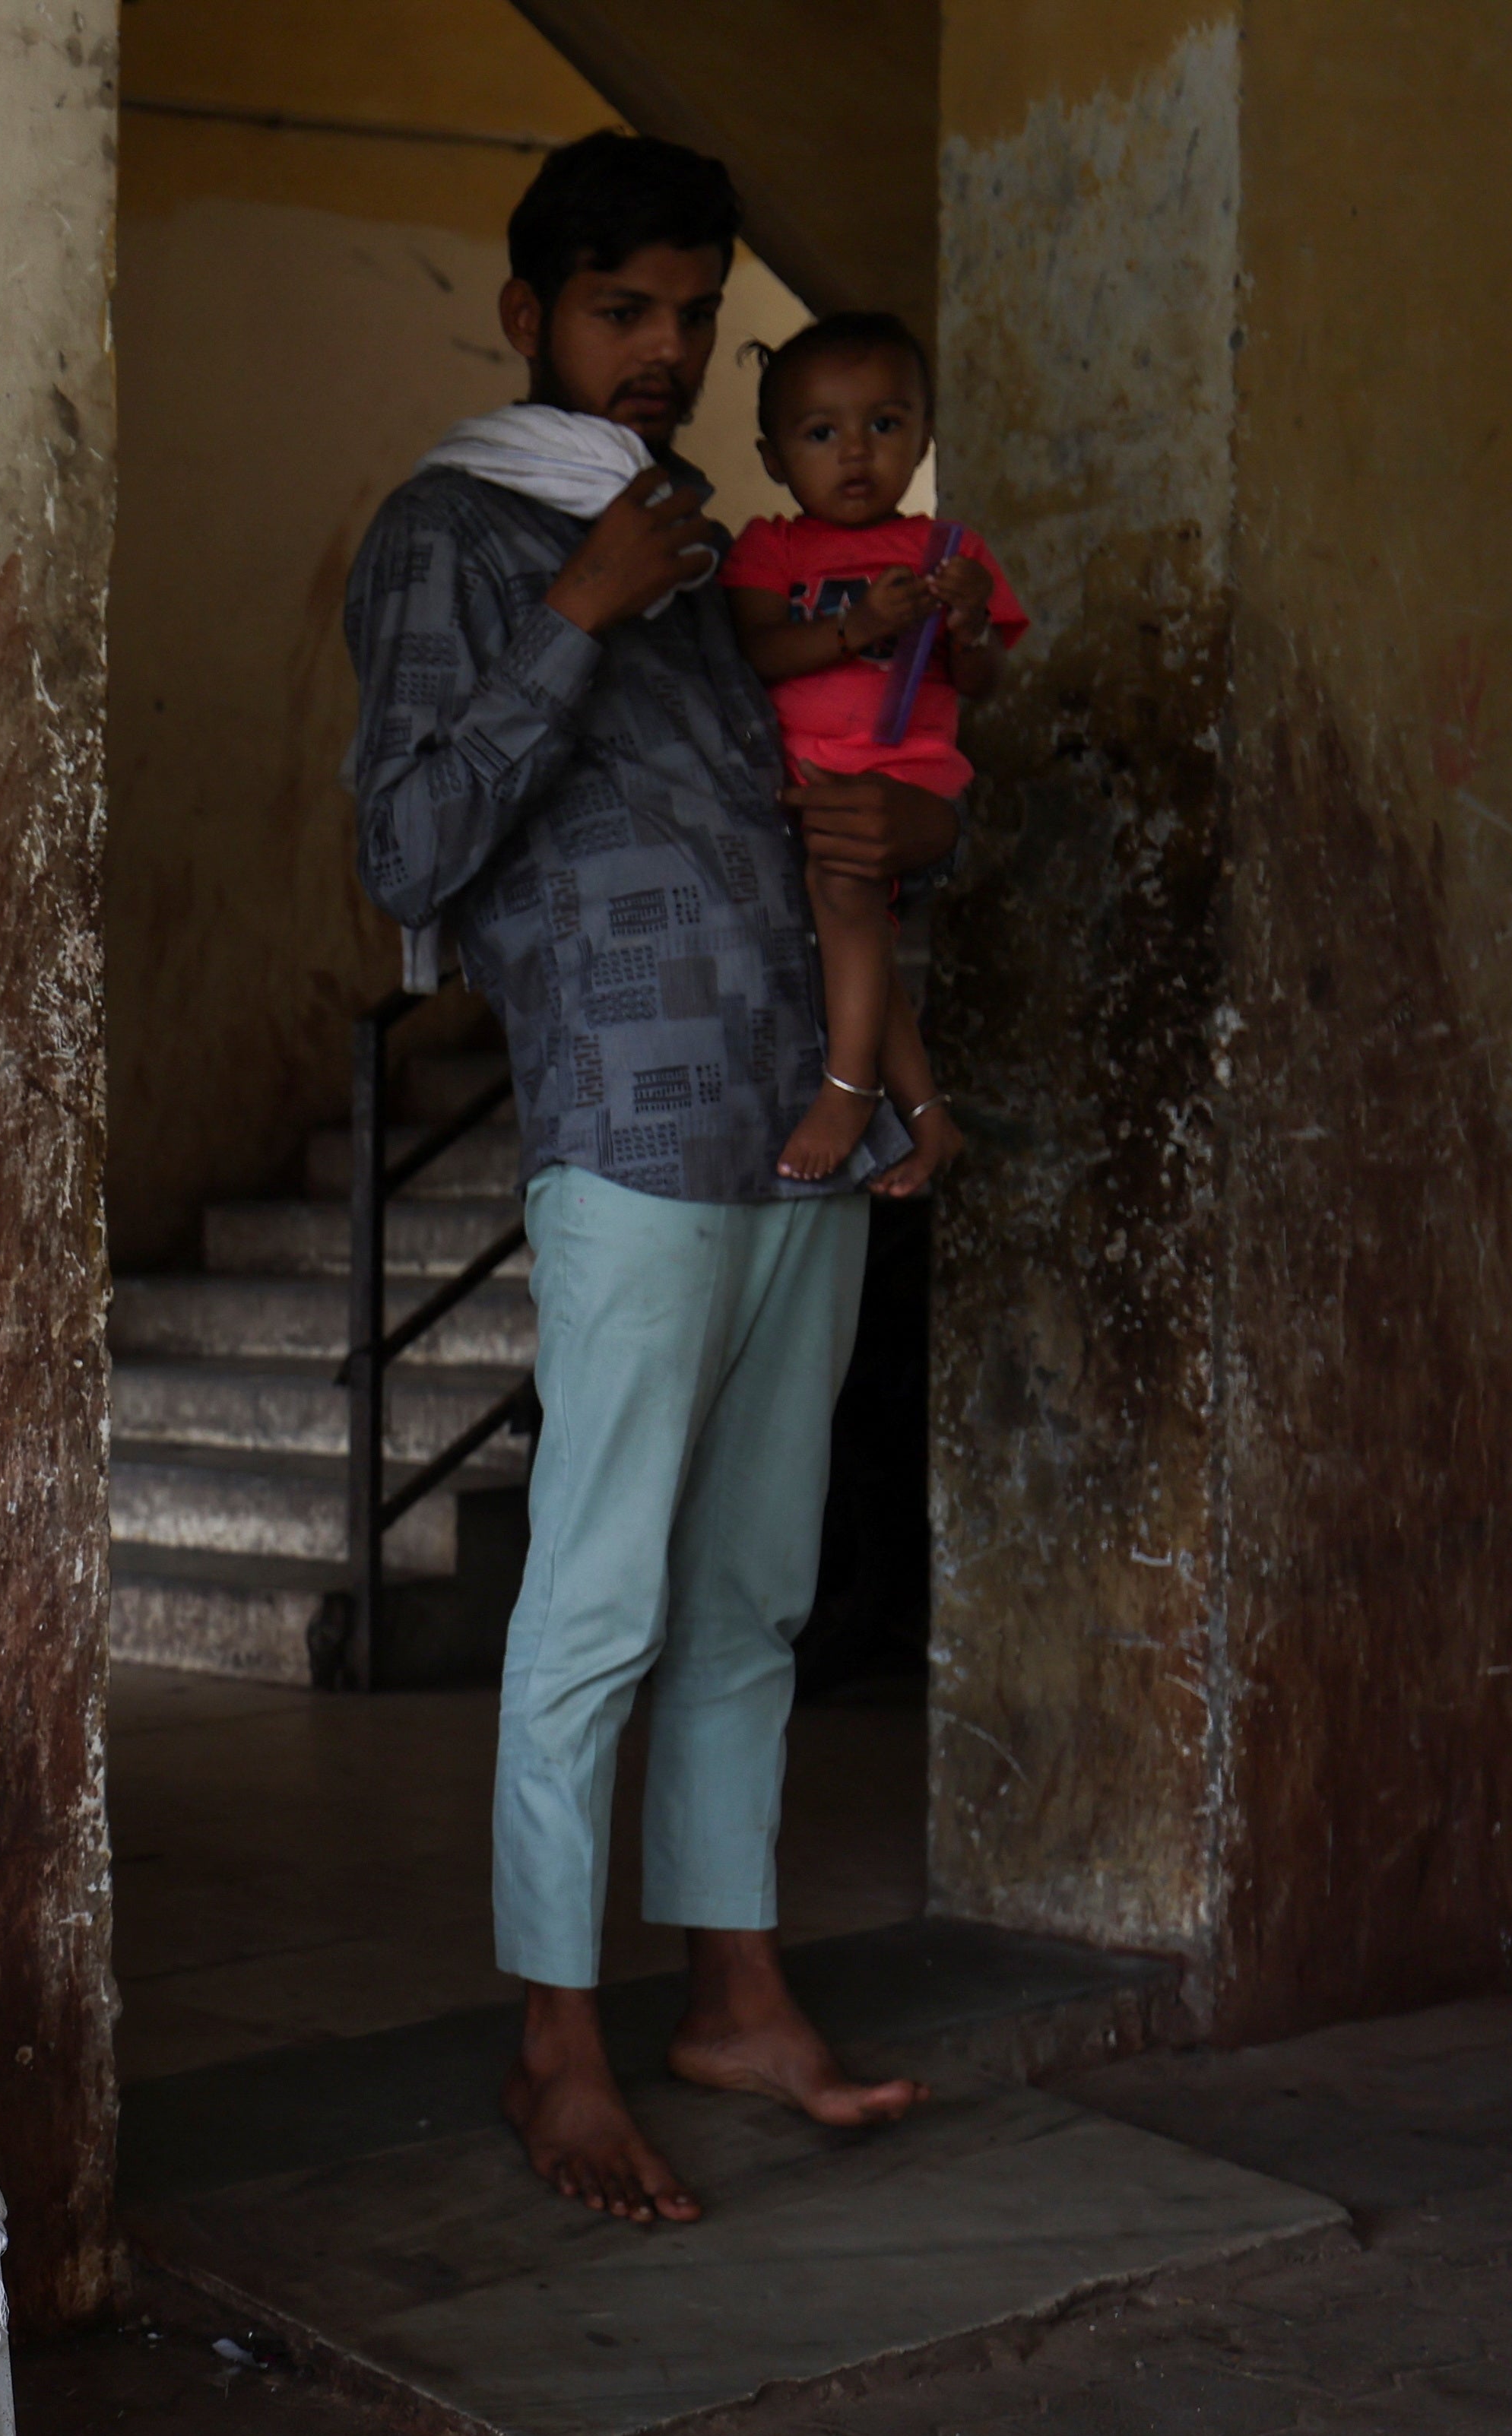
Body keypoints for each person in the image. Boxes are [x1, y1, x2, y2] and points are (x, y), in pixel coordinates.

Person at [343, 132, 946, 2225]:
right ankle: (554, 2041)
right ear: (526, 315)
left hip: (800, 1114)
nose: (664, 353)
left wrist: (896, 1058)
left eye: (694, 316)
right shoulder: (457, 529)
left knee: (752, 1588)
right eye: (623, 312)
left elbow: (823, 810)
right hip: (626, 1118)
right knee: (593, 1598)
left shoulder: (708, 545)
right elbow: (410, 848)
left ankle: (735, 1991)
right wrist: (574, 622)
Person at [721, 311, 1022, 1185]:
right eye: (821, 433)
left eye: (884, 426)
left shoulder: (949, 551)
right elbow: (757, 653)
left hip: (908, 777)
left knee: (844, 888)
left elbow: (981, 682)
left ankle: (848, 1089)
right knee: (857, 935)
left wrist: (966, 625)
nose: (855, 453)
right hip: (802, 778)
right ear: (775, 456)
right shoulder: (769, 547)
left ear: (924, 436)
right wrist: (855, 629)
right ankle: (929, 1122)